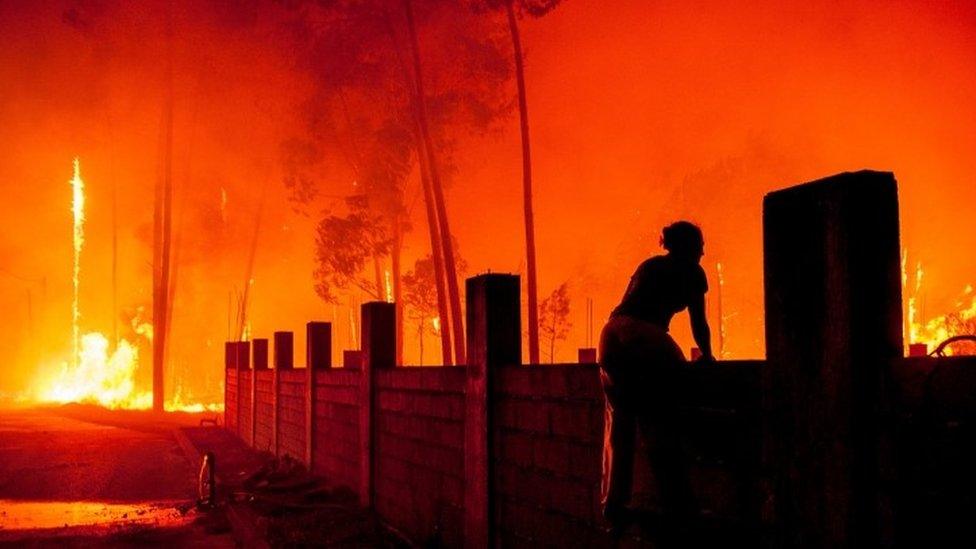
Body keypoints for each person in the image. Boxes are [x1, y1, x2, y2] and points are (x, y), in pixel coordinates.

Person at [599, 220, 713, 534]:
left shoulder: (649, 265)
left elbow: (627, 311)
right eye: (700, 245)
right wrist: (708, 355)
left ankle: (614, 508)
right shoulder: (692, 271)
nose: (703, 251)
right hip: (646, 336)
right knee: (661, 420)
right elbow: (698, 323)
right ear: (690, 247)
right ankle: (680, 505)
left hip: (611, 335)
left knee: (618, 426)